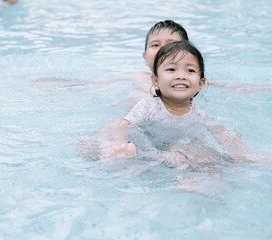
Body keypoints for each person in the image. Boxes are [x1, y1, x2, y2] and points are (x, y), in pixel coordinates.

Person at [101, 40, 246, 165]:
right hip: (145, 150)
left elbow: (218, 132)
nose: (181, 76)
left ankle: (195, 180)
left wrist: (236, 148)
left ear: (201, 83)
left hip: (174, 152)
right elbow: (120, 128)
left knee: (202, 153)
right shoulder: (148, 106)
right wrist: (121, 144)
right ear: (156, 81)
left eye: (190, 70)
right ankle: (123, 157)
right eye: (171, 69)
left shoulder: (198, 113)